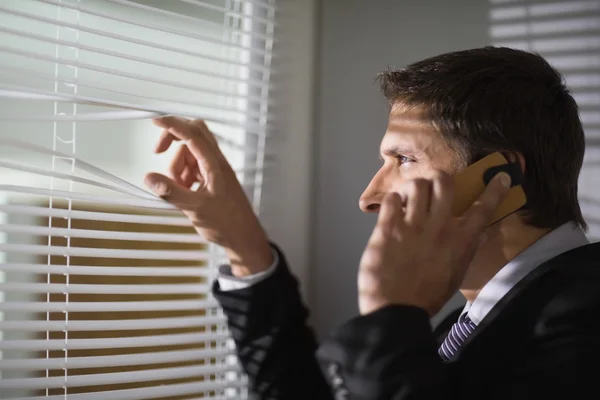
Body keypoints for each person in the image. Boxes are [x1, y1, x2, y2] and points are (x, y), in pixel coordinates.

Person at [144, 46, 600, 399]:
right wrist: (245, 248)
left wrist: (390, 316)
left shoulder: (582, 320)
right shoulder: (466, 322)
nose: (368, 198)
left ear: (500, 179)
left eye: (404, 158)